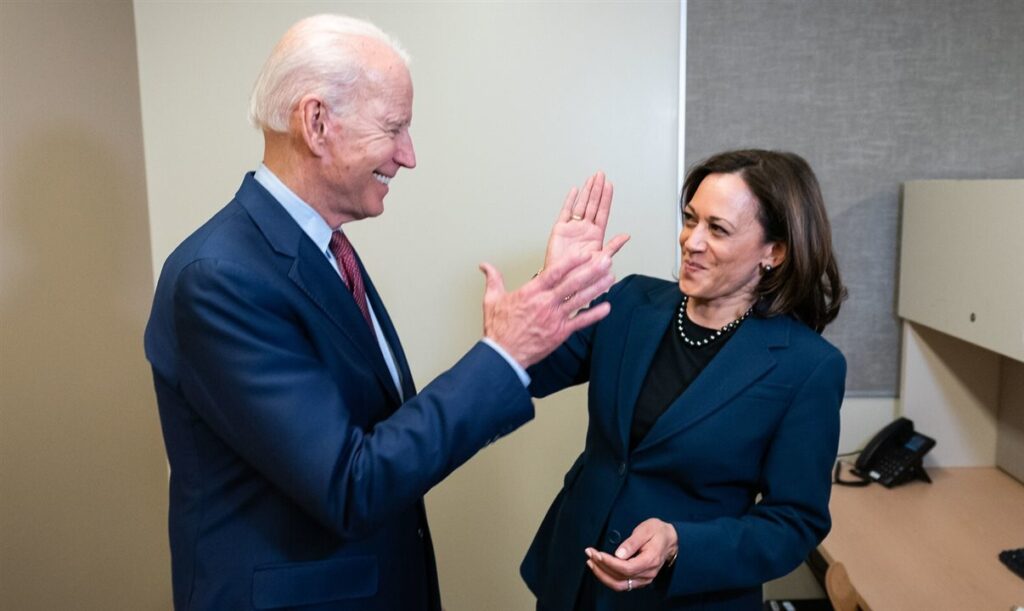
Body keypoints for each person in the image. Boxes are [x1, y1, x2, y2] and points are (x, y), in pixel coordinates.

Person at [144, 14, 627, 611]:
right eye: (394, 127)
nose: (409, 156)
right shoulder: (221, 278)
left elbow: (376, 431)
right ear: (316, 123)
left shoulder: (322, 248)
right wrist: (503, 354)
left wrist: (541, 306)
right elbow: (351, 485)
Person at [520, 149, 848, 611]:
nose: (691, 240)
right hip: (573, 579)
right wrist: (552, 286)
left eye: (718, 229)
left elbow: (794, 522)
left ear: (773, 252)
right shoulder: (633, 301)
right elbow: (528, 374)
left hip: (683, 598)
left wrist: (679, 543)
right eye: (691, 219)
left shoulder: (807, 367)